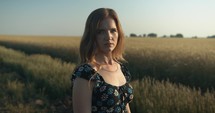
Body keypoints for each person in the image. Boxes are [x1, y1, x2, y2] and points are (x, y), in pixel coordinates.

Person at [71, 8, 134, 113]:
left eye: (113, 30)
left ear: (119, 34)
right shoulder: (86, 74)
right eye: (101, 32)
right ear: (92, 36)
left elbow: (125, 107)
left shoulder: (122, 69)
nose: (109, 37)